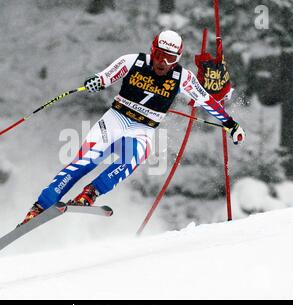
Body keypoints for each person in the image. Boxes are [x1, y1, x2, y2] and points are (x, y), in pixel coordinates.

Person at [18, 30, 245, 226]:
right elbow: (106, 76)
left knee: (133, 158)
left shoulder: (182, 77)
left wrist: (231, 125)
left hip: (142, 128)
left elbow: (206, 100)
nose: (161, 63)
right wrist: (96, 81)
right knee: (85, 161)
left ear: (176, 59)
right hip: (116, 119)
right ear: (152, 50)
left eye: (168, 59)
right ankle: (39, 207)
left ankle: (91, 192)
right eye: (158, 55)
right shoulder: (132, 61)